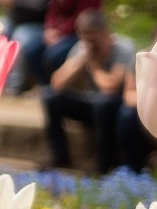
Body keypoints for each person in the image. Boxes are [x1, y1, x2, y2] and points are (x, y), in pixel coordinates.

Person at [41, 9, 149, 172]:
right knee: (50, 97)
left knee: (104, 103)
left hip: (115, 105)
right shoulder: (81, 49)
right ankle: (59, 155)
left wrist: (95, 67)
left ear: (104, 32)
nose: (88, 41)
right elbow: (57, 83)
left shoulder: (123, 48)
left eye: (93, 35)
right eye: (83, 35)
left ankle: (103, 163)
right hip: (90, 101)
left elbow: (111, 86)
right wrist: (80, 60)